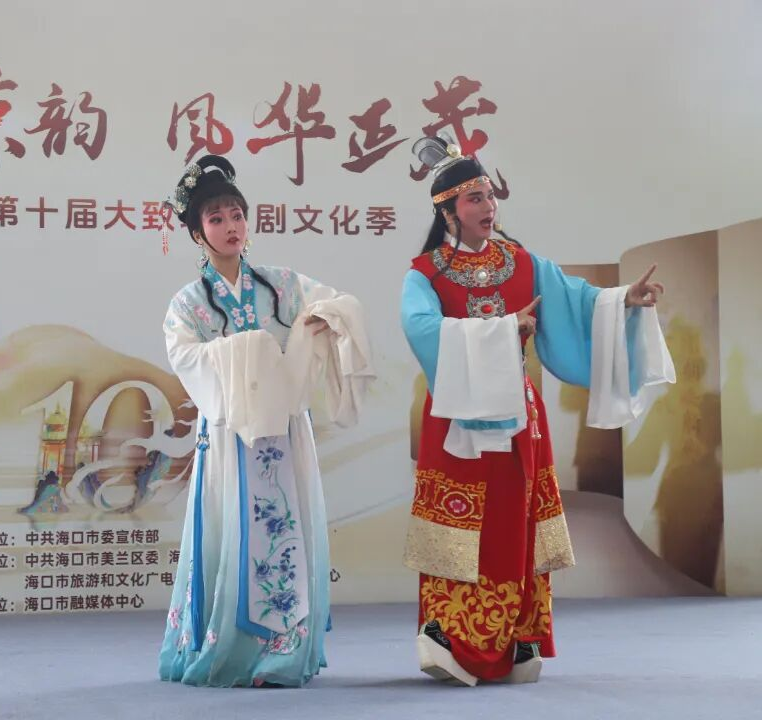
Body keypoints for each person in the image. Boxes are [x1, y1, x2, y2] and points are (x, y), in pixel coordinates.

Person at [400, 136, 676, 686]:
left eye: (489, 195)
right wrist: (506, 330)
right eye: (474, 198)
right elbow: (420, 327)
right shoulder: (425, 274)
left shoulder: (522, 263)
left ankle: (520, 634)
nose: (488, 206)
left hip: (518, 417)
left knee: (515, 522)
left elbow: (578, 299)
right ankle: (448, 633)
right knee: (459, 524)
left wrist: (623, 299)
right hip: (456, 420)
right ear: (448, 211)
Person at [158, 155, 375, 687]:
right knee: (233, 535)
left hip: (284, 433)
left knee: (286, 535)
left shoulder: (280, 284)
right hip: (229, 439)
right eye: (216, 218)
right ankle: (230, 649)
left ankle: (284, 652)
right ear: (197, 233)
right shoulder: (188, 303)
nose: (231, 226)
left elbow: (339, 304)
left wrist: (321, 320)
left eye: (236, 214)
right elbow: (186, 358)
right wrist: (247, 352)